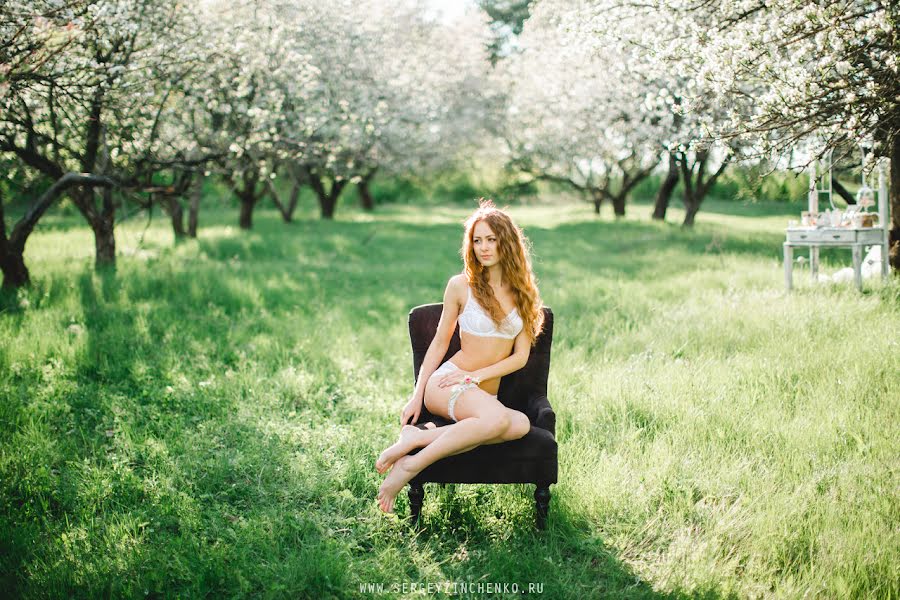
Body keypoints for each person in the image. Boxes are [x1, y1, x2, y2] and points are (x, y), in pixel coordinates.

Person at [376, 198, 545, 513]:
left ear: (506, 242)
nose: (483, 247)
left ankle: (417, 438)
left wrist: (479, 377)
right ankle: (410, 467)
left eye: (491, 239)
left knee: (521, 424)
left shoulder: (524, 293)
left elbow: (520, 356)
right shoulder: (460, 287)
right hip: (448, 383)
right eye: (477, 240)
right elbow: (439, 344)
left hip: (480, 389)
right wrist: (417, 396)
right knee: (496, 418)